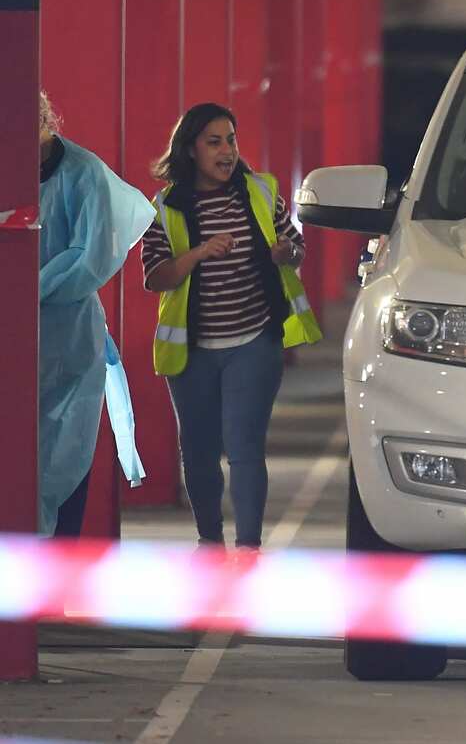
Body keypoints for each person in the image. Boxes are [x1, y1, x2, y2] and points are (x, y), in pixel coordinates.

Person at [142, 102, 322, 553]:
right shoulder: (166, 207)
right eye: (214, 141)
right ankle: (209, 541)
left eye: (232, 140)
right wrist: (199, 253)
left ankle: (248, 549)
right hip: (194, 350)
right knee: (200, 453)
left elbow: (296, 247)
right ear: (191, 150)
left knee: (244, 447)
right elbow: (155, 277)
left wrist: (287, 253)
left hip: (254, 340)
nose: (227, 150)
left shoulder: (260, 193)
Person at [37, 91, 153, 537]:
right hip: (22, 337)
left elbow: (91, 258)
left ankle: (57, 564)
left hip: (68, 340)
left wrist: (30, 288)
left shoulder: (84, 175)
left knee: (64, 454)